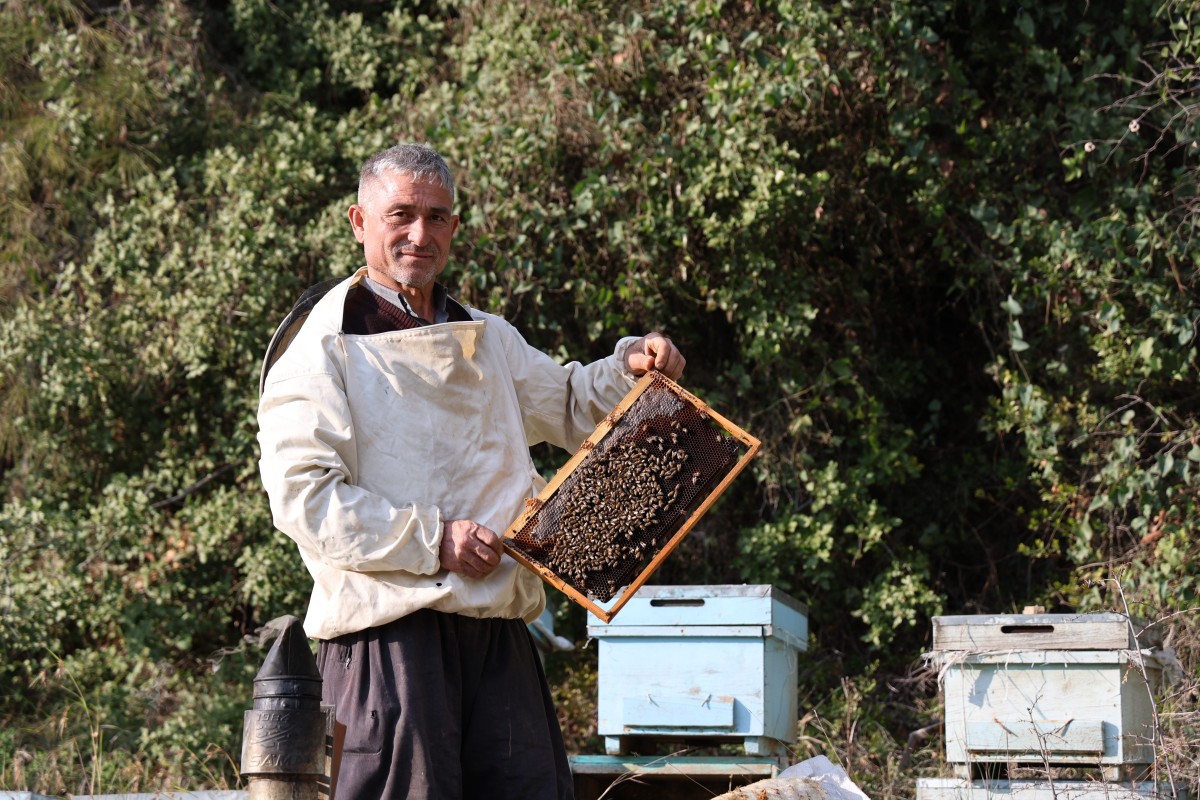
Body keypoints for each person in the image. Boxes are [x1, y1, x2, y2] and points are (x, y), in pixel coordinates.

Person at [256, 142, 685, 800]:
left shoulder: (489, 336)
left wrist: (630, 366)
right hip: (388, 644)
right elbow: (306, 502)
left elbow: (570, 405)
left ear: (455, 226)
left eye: (437, 217)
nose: (419, 234)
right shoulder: (321, 346)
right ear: (358, 221)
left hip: (499, 640)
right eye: (400, 214)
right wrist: (437, 541)